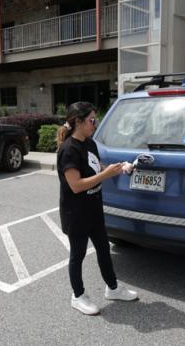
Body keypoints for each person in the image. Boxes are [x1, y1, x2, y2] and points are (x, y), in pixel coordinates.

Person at [57, 101, 138, 315]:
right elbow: (76, 185)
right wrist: (106, 174)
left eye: (96, 119)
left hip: (93, 209)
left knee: (104, 249)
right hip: (76, 213)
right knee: (78, 255)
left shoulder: (89, 144)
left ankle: (113, 288)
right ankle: (78, 295)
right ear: (78, 122)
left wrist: (120, 168)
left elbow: (96, 168)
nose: (95, 123)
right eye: (92, 120)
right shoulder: (69, 150)